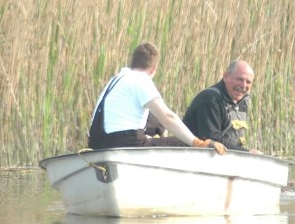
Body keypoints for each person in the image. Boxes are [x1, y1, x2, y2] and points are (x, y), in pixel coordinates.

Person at [87, 42, 226, 155]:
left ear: (132, 62)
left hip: (97, 146)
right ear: (153, 69)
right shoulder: (141, 79)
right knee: (187, 142)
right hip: (125, 144)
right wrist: (197, 143)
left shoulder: (115, 80)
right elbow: (167, 117)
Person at [182, 60, 258, 152]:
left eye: (248, 82)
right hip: (195, 155)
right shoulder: (210, 99)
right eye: (240, 79)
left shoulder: (243, 100)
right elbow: (212, 141)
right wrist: (246, 152)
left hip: (226, 157)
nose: (243, 85)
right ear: (226, 76)